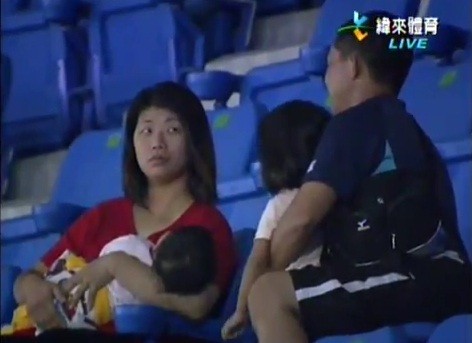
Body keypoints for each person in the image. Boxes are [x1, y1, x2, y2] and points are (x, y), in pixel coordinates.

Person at [246, 11, 472, 343]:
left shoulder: (354, 123)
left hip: (421, 277)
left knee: (268, 295)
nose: (326, 79)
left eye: (330, 64)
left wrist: (258, 283)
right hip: (443, 279)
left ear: (352, 67)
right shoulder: (406, 128)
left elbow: (298, 223)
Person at [12, 82, 237, 336]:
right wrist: (34, 290)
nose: (157, 143)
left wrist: (118, 266)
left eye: (172, 129)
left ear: (194, 140)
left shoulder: (207, 225)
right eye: (146, 131)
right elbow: (27, 279)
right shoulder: (104, 214)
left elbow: (198, 307)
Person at [221, 101, 330, 340]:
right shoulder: (291, 202)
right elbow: (257, 260)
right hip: (310, 299)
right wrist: (241, 310)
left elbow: (258, 261)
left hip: (307, 299)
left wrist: (241, 311)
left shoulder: (290, 201)